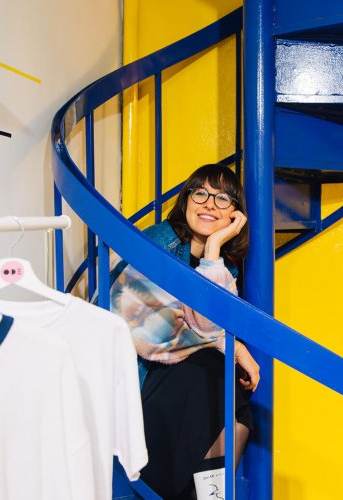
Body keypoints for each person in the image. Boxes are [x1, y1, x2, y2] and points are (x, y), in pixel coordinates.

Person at [109, 163, 260, 500]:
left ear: (236, 214)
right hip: (141, 379)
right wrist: (233, 348)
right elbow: (151, 335)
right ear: (186, 200)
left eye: (223, 199)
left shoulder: (223, 263)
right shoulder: (156, 243)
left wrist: (213, 248)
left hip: (178, 386)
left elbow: (207, 324)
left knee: (236, 404)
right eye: (201, 193)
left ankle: (202, 496)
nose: (209, 204)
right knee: (212, 370)